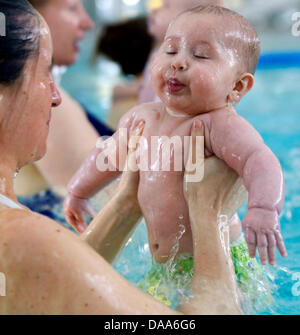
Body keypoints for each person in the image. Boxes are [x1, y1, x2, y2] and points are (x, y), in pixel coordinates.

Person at [0, 0, 243, 314]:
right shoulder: (25, 240)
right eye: (45, 73)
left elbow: (57, 277)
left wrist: (128, 200)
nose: (55, 95)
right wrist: (211, 212)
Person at [64, 4, 287, 294]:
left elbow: (261, 161)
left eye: (201, 55)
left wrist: (263, 209)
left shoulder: (219, 126)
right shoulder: (141, 117)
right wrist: (78, 192)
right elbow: (108, 155)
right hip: (164, 266)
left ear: (238, 87)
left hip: (222, 262)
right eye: (170, 50)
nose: (179, 62)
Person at [14, 0, 114, 227]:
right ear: (28, 15)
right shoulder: (46, 106)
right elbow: (103, 207)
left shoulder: (45, 95)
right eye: (72, 8)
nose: (87, 23)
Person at [139, 0, 225, 104]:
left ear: (190, 21)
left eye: (165, 6)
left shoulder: (179, 62)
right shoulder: (158, 50)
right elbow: (148, 84)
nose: (155, 10)